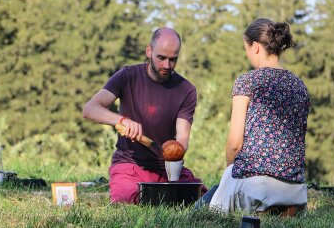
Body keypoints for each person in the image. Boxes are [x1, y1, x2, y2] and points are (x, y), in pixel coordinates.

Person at [82, 27, 206, 204]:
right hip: (129, 165)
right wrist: (122, 120)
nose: (166, 65)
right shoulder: (127, 76)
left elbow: (183, 138)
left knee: (199, 195)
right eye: (161, 58)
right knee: (126, 197)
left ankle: (164, 194)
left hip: (166, 170)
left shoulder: (186, 90)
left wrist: (175, 153)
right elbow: (90, 109)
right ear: (149, 51)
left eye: (173, 59)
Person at [200, 18, 310, 212]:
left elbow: (235, 143)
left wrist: (229, 174)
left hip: (255, 188)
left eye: (247, 48)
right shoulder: (300, 86)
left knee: (203, 206)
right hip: (295, 191)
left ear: (256, 47)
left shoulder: (248, 81)